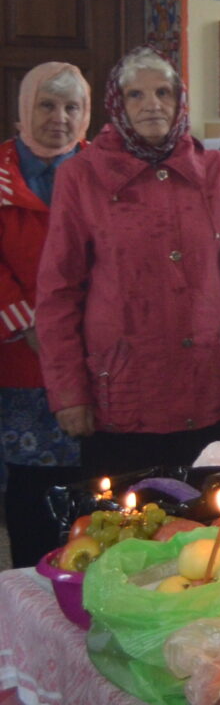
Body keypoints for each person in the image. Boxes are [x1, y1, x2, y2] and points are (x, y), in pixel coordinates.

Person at [38, 49, 220, 481]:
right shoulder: (82, 176)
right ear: (117, 105)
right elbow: (58, 293)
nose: (152, 105)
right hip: (124, 390)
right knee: (128, 530)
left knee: (215, 530)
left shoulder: (216, 170)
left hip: (212, 383)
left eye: (163, 92)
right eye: (136, 95)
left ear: (179, 100)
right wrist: (68, 392)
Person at [0, 62, 90, 567]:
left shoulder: (104, 171)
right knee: (30, 489)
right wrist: (30, 322)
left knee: (89, 486)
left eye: (71, 107)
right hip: (23, 361)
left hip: (93, 354)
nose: (59, 118)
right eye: (47, 105)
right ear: (23, 109)